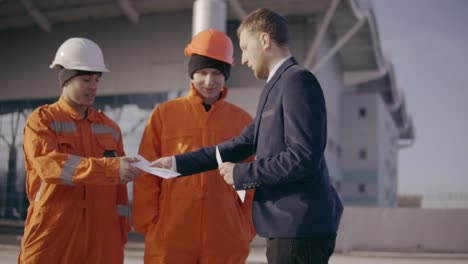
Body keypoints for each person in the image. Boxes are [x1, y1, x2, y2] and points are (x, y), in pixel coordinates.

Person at [151, 9, 343, 264]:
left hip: (300, 229)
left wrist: (242, 175)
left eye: (244, 48)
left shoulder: (298, 81)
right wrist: (176, 163)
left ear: (264, 41)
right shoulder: (274, 89)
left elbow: (303, 156)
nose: (242, 59)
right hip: (287, 229)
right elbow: (237, 146)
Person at [132, 29, 256, 264]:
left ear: (226, 76)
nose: (209, 81)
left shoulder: (242, 120)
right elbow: (146, 174)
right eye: (203, 72)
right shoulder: (164, 114)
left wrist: (246, 226)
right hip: (171, 235)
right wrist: (150, 224)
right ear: (192, 74)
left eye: (216, 73)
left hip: (225, 234)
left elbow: (252, 179)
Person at [19, 37, 140, 263]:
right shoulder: (42, 120)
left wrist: (121, 229)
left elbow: (119, 191)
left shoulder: (110, 129)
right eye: (86, 79)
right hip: (54, 232)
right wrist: (109, 168)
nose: (93, 86)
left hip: (102, 238)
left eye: (96, 79)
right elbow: (49, 166)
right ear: (65, 80)